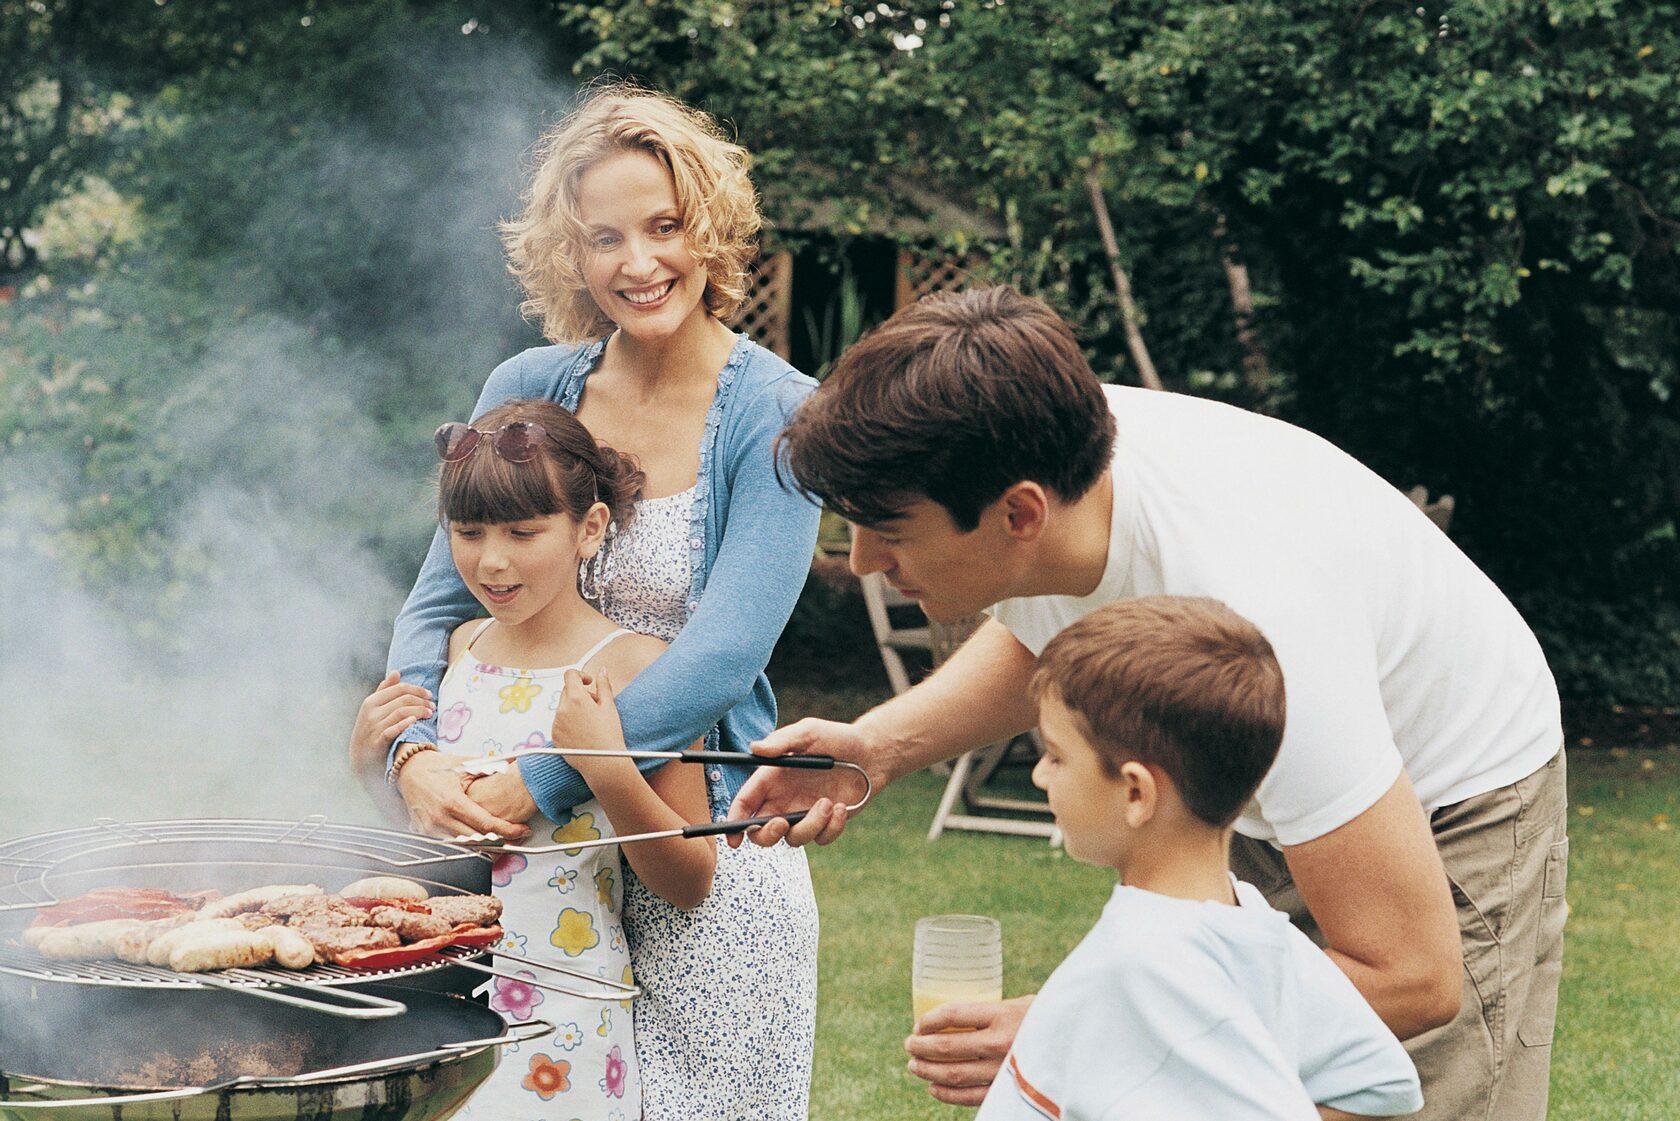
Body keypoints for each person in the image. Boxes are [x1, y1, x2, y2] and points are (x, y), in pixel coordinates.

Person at [732, 285, 1568, 1121]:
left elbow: (1413, 975)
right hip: (1248, 789)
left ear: (1020, 512)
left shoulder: (1266, 610)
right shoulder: (1042, 469)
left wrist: (1087, 1029)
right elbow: (1041, 625)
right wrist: (877, 746)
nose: (865, 560)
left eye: (890, 529)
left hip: (1445, 795)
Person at [349, 83, 822, 1120]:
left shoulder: (779, 414)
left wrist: (547, 776)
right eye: (605, 237)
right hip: (534, 876)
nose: (638, 263)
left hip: (702, 852)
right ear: (571, 251)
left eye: (664, 227)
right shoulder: (531, 383)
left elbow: (723, 655)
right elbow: (435, 603)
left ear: (710, 228)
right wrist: (412, 750)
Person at [358, 399, 717, 1118]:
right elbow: (424, 840)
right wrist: (374, 764)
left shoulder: (638, 668)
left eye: (523, 531)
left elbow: (690, 877)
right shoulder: (454, 652)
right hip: (435, 1007)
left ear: (589, 529)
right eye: (468, 532)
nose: (492, 559)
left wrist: (607, 766)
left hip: (565, 1022)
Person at [976, 595, 1421, 1121]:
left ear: (1136, 793)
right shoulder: (1254, 924)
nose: (1040, 775)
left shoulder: (1146, 968)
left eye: (1056, 755)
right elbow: (1374, 1081)